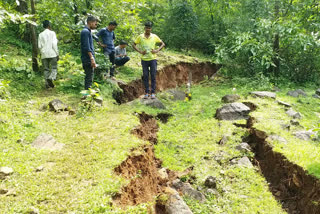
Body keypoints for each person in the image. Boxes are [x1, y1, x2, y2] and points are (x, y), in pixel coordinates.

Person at [133, 21, 165, 99]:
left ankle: (153, 92)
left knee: (153, 76)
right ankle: (147, 92)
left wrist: (157, 50)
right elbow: (133, 44)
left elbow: (163, 44)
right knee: (146, 76)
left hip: (153, 59)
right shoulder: (140, 37)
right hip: (144, 60)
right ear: (145, 28)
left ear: (151, 29)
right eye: (147, 28)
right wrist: (140, 51)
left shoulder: (154, 36)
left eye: (149, 28)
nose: (148, 29)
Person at [38, 20, 59, 89]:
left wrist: (41, 53)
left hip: (44, 54)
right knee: (54, 68)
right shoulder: (52, 33)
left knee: (46, 69)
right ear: (49, 26)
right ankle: (51, 78)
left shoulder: (40, 35)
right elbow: (54, 44)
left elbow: (39, 46)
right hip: (52, 53)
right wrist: (57, 53)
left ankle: (47, 84)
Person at [80, 16, 98, 90]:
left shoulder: (88, 31)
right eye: (95, 23)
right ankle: (87, 93)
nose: (95, 25)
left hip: (88, 57)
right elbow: (86, 46)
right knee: (89, 76)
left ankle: (88, 92)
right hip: (87, 58)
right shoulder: (85, 32)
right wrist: (91, 58)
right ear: (90, 22)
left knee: (90, 75)